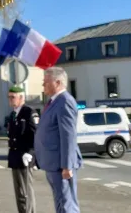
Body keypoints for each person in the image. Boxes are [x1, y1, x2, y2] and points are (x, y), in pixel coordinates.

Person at [34, 67, 82, 213]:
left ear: (58, 82)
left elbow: (68, 136)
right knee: (61, 204)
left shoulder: (64, 101)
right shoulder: (54, 102)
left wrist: (67, 166)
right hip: (53, 162)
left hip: (61, 165)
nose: (43, 86)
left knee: (67, 205)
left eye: (46, 82)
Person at [6, 86, 38, 213]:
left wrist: (30, 153)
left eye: (13, 97)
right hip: (15, 156)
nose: (10, 100)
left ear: (21, 97)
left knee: (27, 192)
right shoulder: (13, 114)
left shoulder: (29, 112)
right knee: (19, 191)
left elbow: (36, 134)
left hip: (25, 156)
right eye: (9, 97)